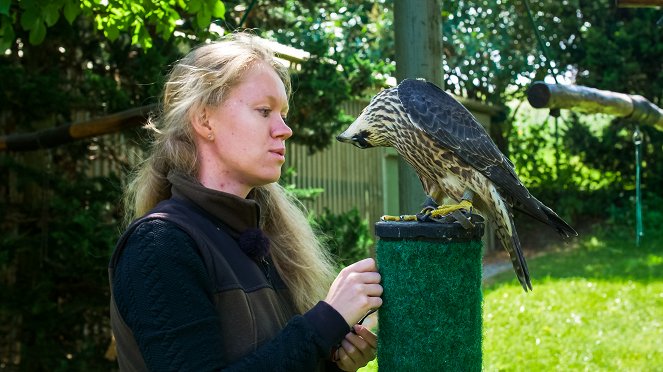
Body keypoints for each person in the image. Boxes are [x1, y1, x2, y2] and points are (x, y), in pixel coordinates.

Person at [108, 31, 383, 371]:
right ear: (204, 119)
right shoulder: (160, 244)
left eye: (282, 113)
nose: (284, 130)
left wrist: (332, 360)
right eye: (264, 110)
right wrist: (325, 321)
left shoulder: (261, 241)